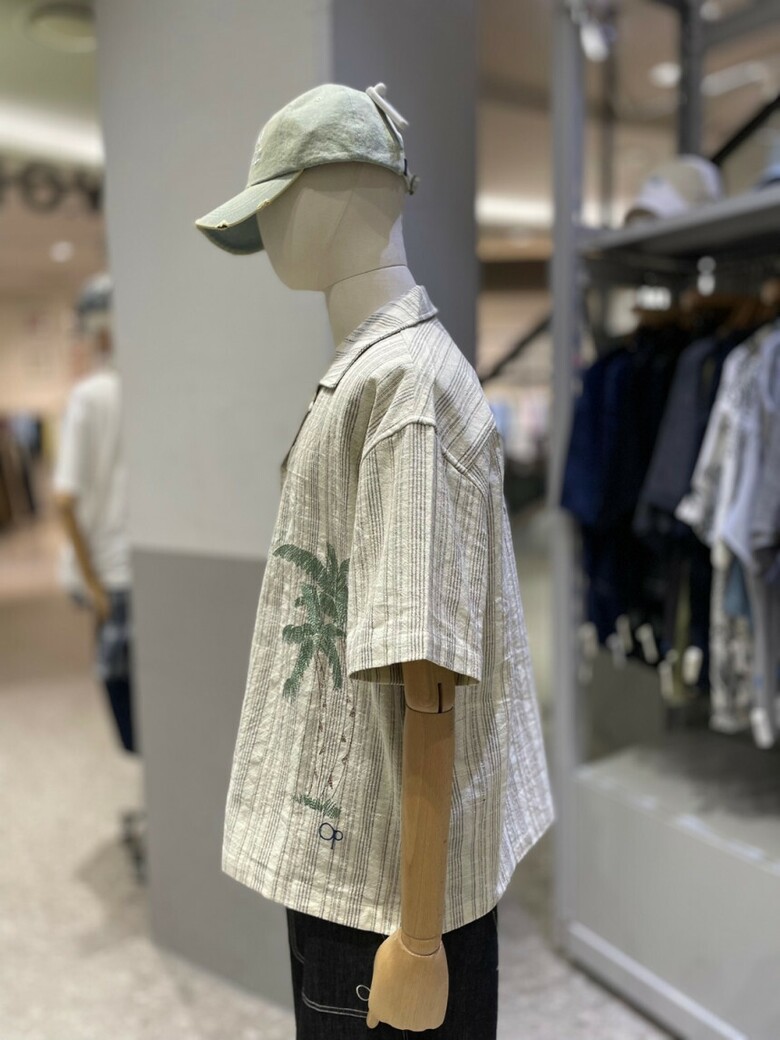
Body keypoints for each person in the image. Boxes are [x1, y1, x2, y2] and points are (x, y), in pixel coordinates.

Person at [53, 273, 136, 756]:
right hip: (137, 567)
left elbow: (64, 500)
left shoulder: (89, 396)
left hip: (111, 575)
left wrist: (93, 584)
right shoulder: (144, 390)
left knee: (129, 714)